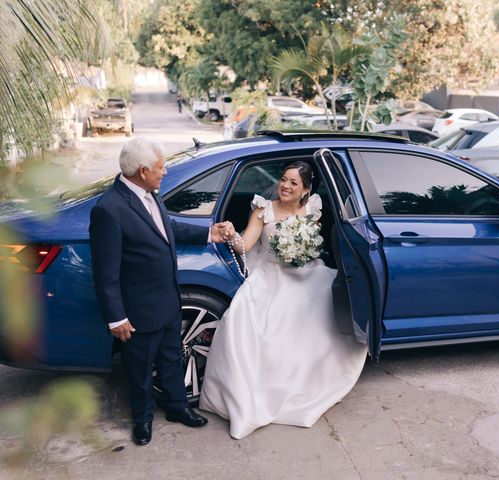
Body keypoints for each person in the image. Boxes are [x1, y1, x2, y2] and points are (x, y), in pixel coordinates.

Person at [200, 161, 368, 439]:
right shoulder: (263, 208)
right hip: (269, 275)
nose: (285, 186)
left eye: (293, 183)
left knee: (327, 304)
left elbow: (313, 249)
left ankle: (310, 382)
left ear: (305, 190)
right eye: (283, 179)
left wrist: (301, 252)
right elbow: (247, 245)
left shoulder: (311, 208)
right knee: (260, 322)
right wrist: (231, 236)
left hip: (305, 273)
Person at [89, 138, 232, 446]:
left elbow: (167, 228)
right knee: (140, 370)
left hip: (168, 300)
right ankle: (142, 420)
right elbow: (105, 272)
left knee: (171, 358)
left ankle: (178, 408)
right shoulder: (109, 210)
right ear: (142, 171)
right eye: (160, 167)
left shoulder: (149, 194)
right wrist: (116, 318)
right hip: (139, 310)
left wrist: (209, 233)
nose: (165, 172)